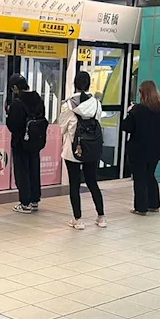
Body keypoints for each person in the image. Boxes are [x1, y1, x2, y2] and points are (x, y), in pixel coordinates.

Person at [59, 71, 105, 229]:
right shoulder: (97, 104)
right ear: (89, 85)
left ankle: (78, 220)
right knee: (92, 182)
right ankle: (101, 217)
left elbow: (61, 128)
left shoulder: (68, 105)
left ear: (75, 84)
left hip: (73, 150)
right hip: (92, 148)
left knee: (74, 184)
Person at [122, 81, 160, 215]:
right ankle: (154, 204)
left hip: (139, 149)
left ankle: (141, 207)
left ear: (143, 93)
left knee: (139, 177)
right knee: (150, 175)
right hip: (156, 148)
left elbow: (127, 127)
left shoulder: (138, 109)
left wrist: (129, 112)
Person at [6, 74, 45, 214]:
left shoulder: (17, 103)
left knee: (22, 172)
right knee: (34, 169)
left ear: (15, 88)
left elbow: (12, 125)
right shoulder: (38, 99)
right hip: (35, 142)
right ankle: (35, 200)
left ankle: (25, 203)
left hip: (20, 142)